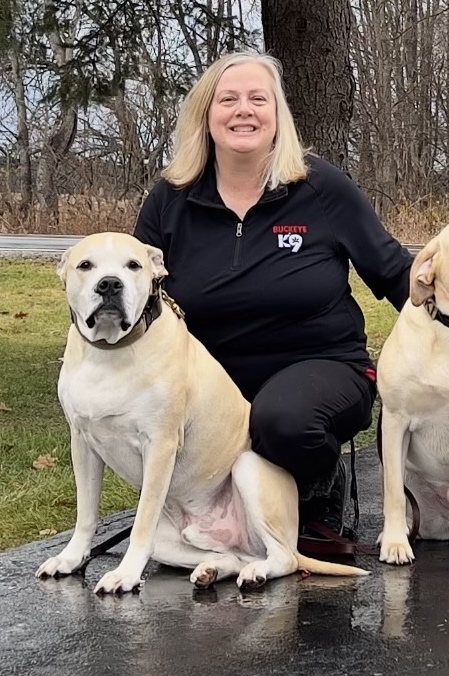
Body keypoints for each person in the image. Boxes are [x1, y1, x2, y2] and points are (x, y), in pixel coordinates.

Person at [133, 50, 412, 545]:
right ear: (206, 116)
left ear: (277, 115)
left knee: (282, 421)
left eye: (259, 99)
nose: (244, 109)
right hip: (210, 378)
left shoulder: (320, 187)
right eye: (229, 99)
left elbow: (396, 274)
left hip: (322, 367)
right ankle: (220, 517)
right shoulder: (170, 200)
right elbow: (139, 300)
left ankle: (318, 493)